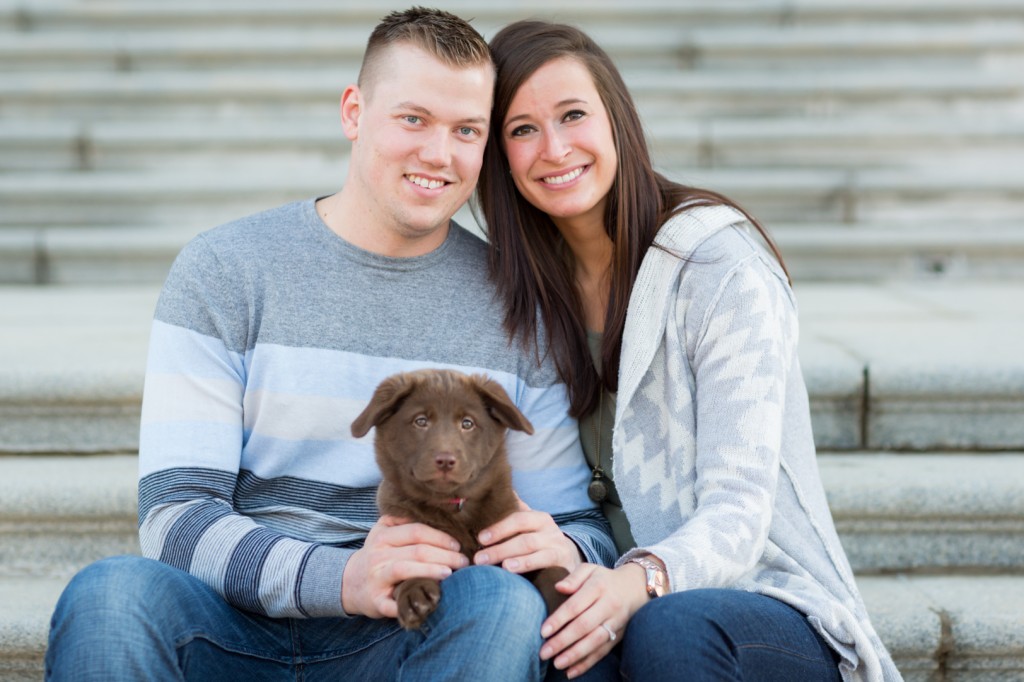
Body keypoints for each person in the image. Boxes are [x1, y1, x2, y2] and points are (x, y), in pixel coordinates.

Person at [44, 9, 616, 681]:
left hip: (412, 635)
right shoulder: (225, 270)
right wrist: (343, 576)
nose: (439, 153)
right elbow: (176, 517)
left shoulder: (518, 308)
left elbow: (578, 524)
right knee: (110, 594)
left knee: (497, 603)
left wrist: (566, 546)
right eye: (414, 119)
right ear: (354, 111)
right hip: (229, 627)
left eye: (467, 130)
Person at [477, 19, 901, 682]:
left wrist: (638, 580)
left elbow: (739, 513)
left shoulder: (719, 269)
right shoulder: (528, 291)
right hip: (609, 593)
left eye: (573, 115)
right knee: (553, 641)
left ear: (617, 120)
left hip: (763, 604)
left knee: (668, 628)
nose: (554, 148)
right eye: (522, 129)